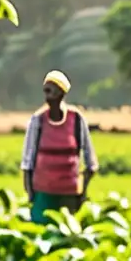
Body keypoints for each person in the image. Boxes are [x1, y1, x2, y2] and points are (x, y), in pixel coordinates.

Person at [20, 70, 98, 224]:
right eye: (45, 91)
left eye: (51, 91)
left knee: (67, 235)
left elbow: (91, 161)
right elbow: (27, 162)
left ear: (61, 93)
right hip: (43, 194)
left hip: (69, 194)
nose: (47, 96)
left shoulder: (76, 119)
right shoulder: (38, 121)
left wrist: (83, 190)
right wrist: (30, 193)